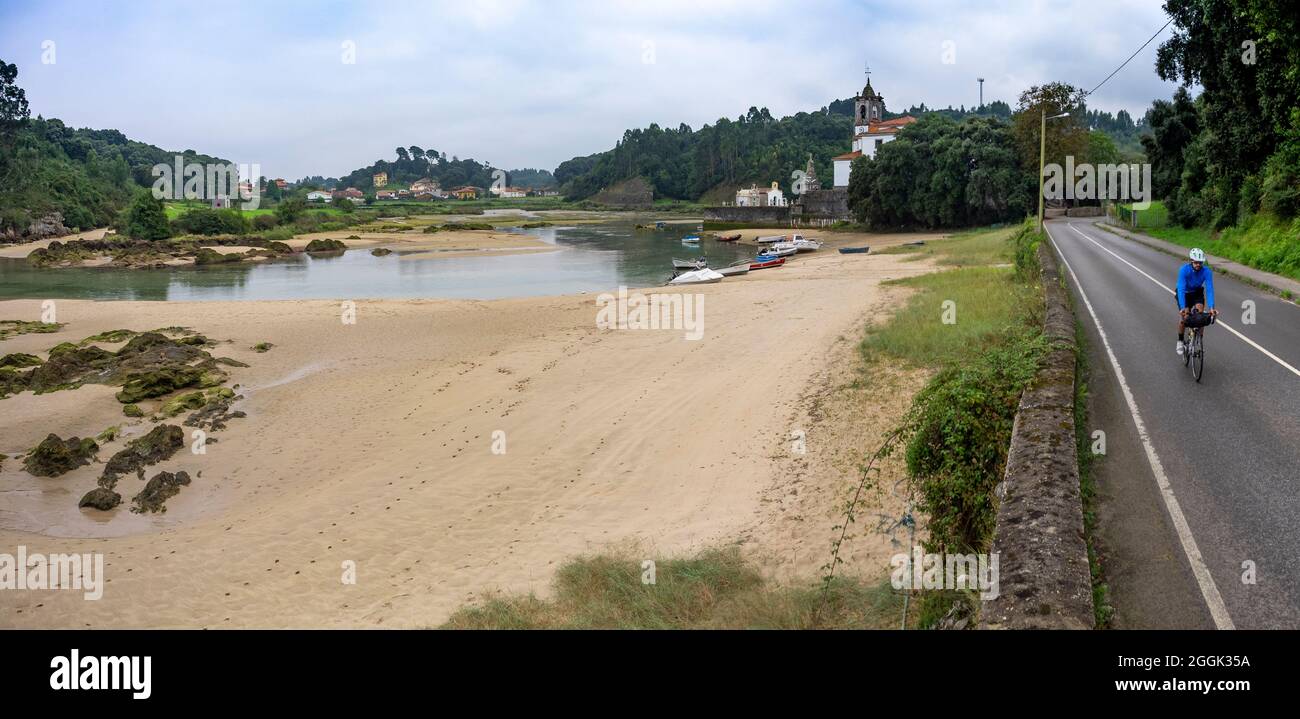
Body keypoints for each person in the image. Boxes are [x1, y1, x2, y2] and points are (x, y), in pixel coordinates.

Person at [1176, 247, 1217, 355]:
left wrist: (1212, 307)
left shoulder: (1207, 271)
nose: (1198, 264)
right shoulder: (1184, 270)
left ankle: (1198, 338)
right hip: (1184, 293)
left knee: (1201, 316)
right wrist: (1183, 307)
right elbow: (1180, 289)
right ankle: (1180, 341)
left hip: (1197, 292)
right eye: (1196, 262)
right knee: (1184, 318)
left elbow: (1209, 289)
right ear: (1191, 261)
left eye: (1200, 262)